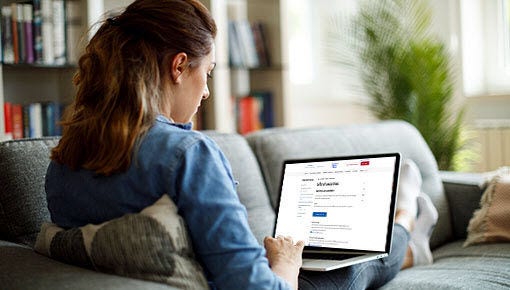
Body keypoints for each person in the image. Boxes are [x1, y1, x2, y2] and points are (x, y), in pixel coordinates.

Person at [45, 0, 437, 289]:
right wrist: (282, 263)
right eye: (207, 72)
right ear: (178, 67)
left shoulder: (64, 160)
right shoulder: (187, 154)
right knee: (351, 270)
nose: (207, 93)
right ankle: (405, 223)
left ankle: (403, 232)